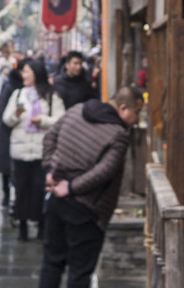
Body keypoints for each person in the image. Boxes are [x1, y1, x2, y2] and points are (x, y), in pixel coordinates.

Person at [38, 86, 144, 288]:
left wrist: (50, 171)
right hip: (86, 210)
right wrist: (70, 188)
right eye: (136, 112)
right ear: (122, 109)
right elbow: (104, 172)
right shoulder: (119, 134)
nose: (137, 119)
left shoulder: (76, 109)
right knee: (79, 272)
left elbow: (49, 137)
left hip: (56, 200)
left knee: (52, 263)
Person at [2, 59, 65, 242]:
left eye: (27, 71)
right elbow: (6, 120)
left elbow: (61, 122)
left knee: (40, 190)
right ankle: (22, 226)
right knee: (21, 189)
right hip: (20, 150)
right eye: (23, 72)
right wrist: (16, 114)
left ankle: (41, 226)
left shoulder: (52, 96)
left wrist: (43, 120)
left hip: (42, 152)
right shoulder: (18, 94)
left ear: (36, 73)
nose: (24, 75)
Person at [0, 62, 23, 213]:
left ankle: (14, 198)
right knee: (7, 169)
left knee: (15, 170)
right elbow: (2, 110)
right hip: (8, 132)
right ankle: (6, 195)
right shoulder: (10, 86)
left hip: (22, 133)